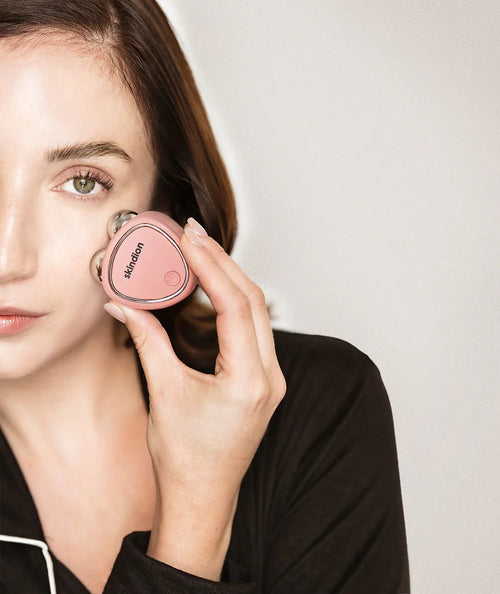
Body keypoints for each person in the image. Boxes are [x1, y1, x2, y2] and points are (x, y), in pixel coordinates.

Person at [0, 1, 410, 592]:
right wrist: (195, 512)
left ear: (164, 204)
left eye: (83, 182)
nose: (9, 258)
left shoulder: (318, 406)